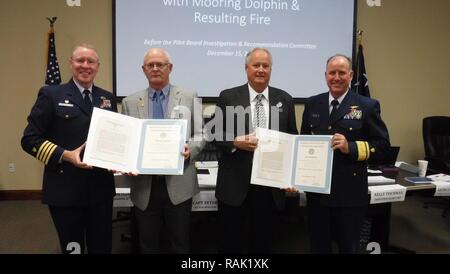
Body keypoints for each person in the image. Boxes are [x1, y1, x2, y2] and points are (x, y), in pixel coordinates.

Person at [21, 44, 117, 254]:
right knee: (73, 249)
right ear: (71, 63)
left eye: (90, 61)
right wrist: (65, 155)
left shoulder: (107, 98)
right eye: (80, 60)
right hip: (65, 190)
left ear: (97, 66)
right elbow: (29, 139)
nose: (85, 65)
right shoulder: (51, 94)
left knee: (102, 247)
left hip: (100, 190)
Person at [300, 54, 390, 253]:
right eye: (332, 73)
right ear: (325, 76)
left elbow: (383, 146)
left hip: (349, 193)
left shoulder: (367, 105)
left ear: (351, 75)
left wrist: (351, 147)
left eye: (342, 73)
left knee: (348, 247)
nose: (336, 77)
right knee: (318, 246)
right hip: (317, 195)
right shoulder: (313, 104)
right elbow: (303, 144)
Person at [212, 48, 298, 253]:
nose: (261, 69)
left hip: (269, 188)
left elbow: (292, 139)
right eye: (256, 65)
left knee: (263, 244)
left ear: (271, 69)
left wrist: (292, 176)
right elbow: (212, 133)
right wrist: (234, 141)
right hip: (234, 187)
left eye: (265, 66)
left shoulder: (285, 99)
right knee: (231, 245)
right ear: (246, 68)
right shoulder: (228, 96)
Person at [121, 48, 204, 254]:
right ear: (143, 70)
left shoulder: (189, 95)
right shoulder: (129, 102)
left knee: (180, 243)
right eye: (151, 65)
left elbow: (202, 133)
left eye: (161, 64)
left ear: (170, 68)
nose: (156, 68)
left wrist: (190, 149)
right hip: (144, 186)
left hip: (179, 183)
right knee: (147, 244)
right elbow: (127, 141)